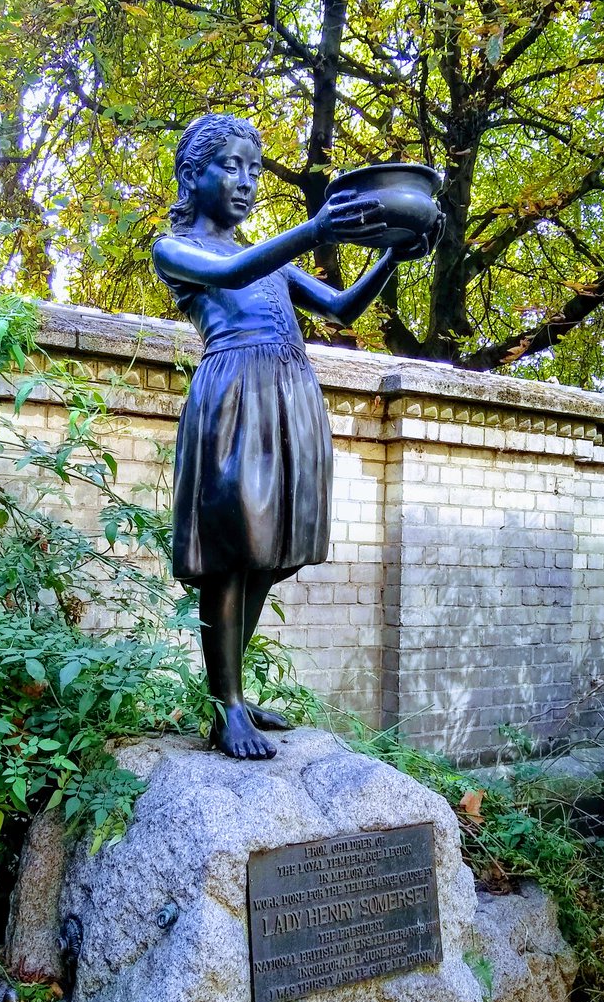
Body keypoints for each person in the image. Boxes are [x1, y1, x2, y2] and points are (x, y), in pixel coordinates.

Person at [153, 113, 441, 760]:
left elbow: (340, 309)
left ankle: (227, 689)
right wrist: (314, 229)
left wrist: (394, 251)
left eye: (255, 170)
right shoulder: (175, 248)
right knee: (232, 550)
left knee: (273, 552)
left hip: (290, 393)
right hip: (236, 396)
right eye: (230, 167)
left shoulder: (268, 260)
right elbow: (229, 277)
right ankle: (225, 704)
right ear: (191, 176)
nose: (246, 181)